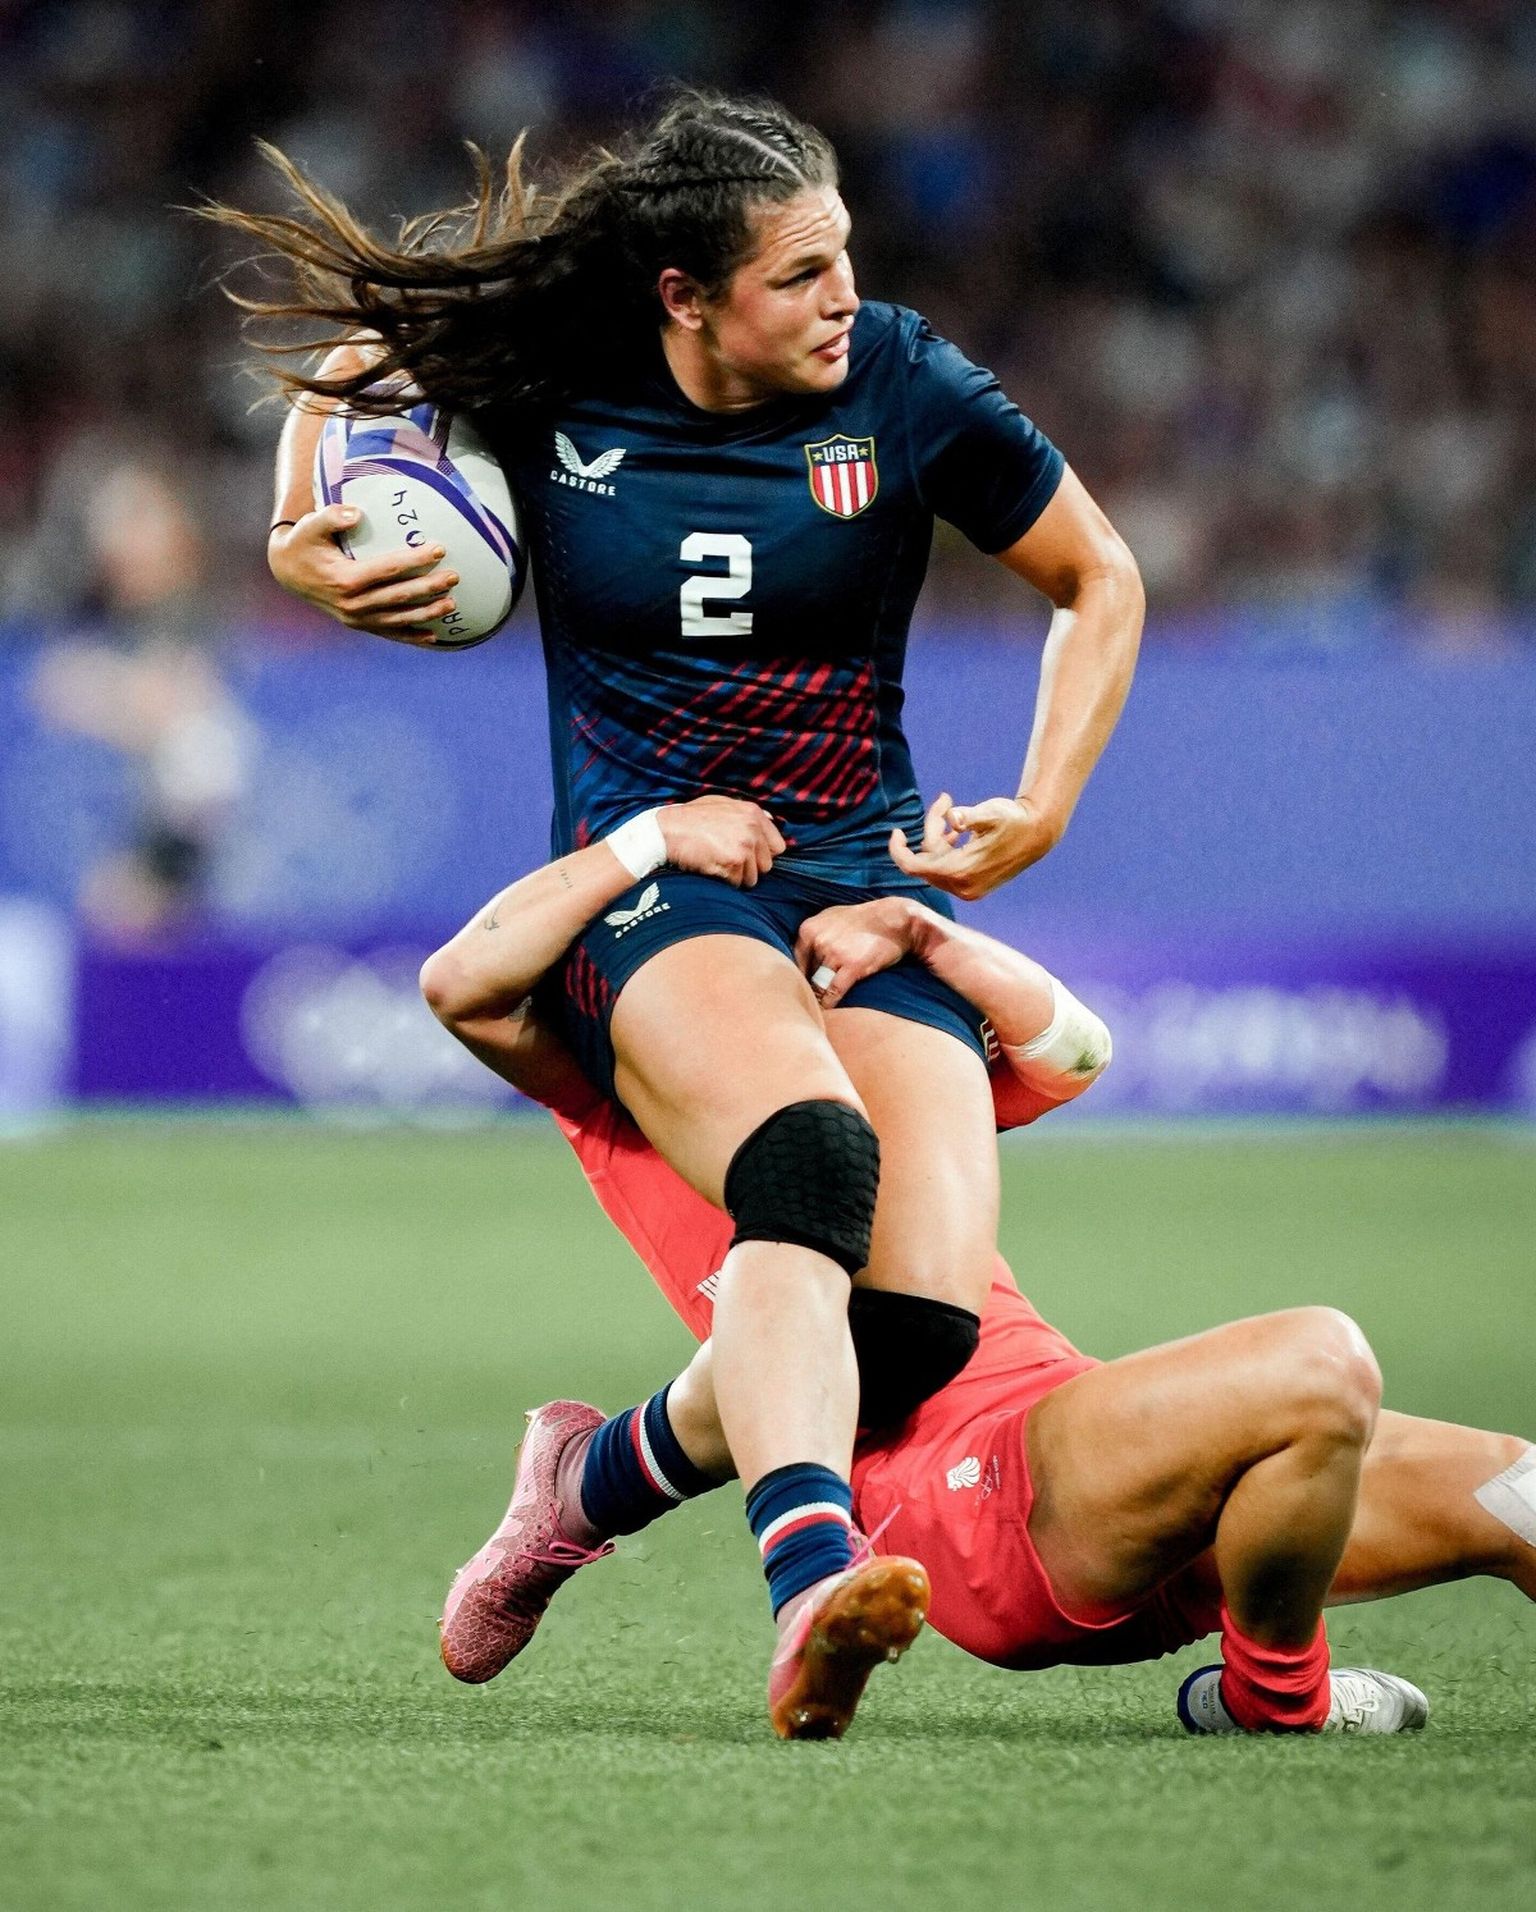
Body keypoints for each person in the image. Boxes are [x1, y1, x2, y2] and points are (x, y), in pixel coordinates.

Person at [207, 89, 1144, 1727]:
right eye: (799, 275)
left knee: (914, 1326)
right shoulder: (560, 371)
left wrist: (1046, 801)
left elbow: (1099, 576)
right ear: (685, 298)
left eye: (843, 257)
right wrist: (300, 545)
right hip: (649, 886)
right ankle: (814, 1585)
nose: (844, 297)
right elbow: (349, 374)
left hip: (858, 881)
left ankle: (587, 1482)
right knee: (811, 1169)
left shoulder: (905, 382)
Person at [421, 809, 1534, 1739]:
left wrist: (924, 932)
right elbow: (463, 981)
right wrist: (652, 837)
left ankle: (596, 1475)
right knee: (1318, 1363)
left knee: (1520, 1493)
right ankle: (1279, 1699)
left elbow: (1077, 1052)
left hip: (1119, 1478)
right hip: (984, 1501)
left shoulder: (884, 1060)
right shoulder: (629, 1089)